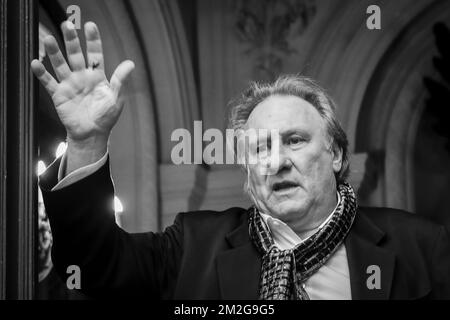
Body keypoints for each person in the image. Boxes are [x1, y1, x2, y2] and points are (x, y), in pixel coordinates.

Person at [32, 21, 450, 300]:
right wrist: (86, 141)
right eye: (261, 149)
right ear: (249, 172)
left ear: (336, 153)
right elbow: (95, 265)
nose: (277, 161)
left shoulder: (424, 248)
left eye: (295, 140)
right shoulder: (194, 246)